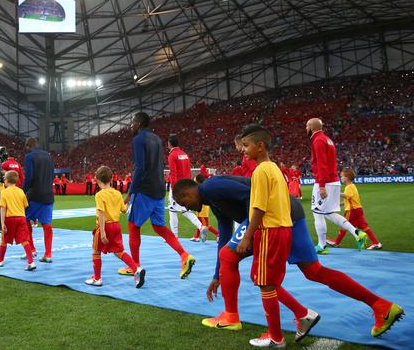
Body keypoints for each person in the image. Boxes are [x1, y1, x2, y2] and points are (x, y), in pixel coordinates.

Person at [172, 173, 404, 341]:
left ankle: (232, 316)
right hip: (291, 212)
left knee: (246, 268)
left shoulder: (211, 187)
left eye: (185, 202)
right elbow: (224, 234)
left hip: (272, 218)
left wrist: (250, 232)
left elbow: (252, 196)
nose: (189, 208)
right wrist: (217, 275)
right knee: (314, 271)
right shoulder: (213, 199)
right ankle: (381, 305)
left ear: (188, 191)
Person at [235, 125, 294, 347]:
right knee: (267, 280)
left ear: (260, 146)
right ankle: (299, 315)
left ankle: (276, 337)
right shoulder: (275, 168)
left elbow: (259, 208)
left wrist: (247, 237)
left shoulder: (260, 170)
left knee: (266, 284)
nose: (243, 149)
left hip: (269, 230)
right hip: (283, 228)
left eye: (246, 145)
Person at [118, 112, 195, 279]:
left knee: (132, 225)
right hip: (159, 188)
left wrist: (130, 193)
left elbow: (139, 168)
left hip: (145, 189)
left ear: (139, 123)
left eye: (133, 122)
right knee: (159, 227)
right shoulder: (157, 139)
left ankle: (135, 266)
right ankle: (184, 255)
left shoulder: (138, 139)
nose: (131, 125)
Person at [306, 118, 367, 254]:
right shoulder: (327, 140)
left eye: (306, 126)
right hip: (333, 181)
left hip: (325, 182)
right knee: (328, 213)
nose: (306, 129)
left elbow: (322, 164)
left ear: (311, 127)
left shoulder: (318, 140)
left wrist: (321, 186)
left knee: (317, 213)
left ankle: (322, 246)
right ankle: (357, 233)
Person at [86, 165, 145, 288]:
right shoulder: (117, 193)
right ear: (111, 178)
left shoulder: (99, 195)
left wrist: (102, 232)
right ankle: (136, 269)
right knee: (119, 252)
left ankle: (97, 278)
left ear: (97, 179)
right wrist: (128, 200)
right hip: (116, 226)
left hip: (105, 226)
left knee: (96, 251)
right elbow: (124, 210)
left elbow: (101, 213)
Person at [0, 170, 36, 271]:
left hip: (9, 218)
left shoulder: (4, 192)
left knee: (4, 240)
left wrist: (2, 223)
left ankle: (0, 260)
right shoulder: (21, 191)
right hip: (21, 218)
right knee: (24, 240)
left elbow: (3, 208)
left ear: (6, 180)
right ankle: (31, 262)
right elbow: (25, 205)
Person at [328, 169, 381, 250]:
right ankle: (376, 243)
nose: (341, 178)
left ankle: (337, 243)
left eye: (342, 176)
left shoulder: (349, 187)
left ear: (347, 177)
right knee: (365, 227)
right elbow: (349, 200)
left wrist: (335, 192)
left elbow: (347, 196)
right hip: (357, 209)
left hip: (352, 211)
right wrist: (338, 204)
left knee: (344, 225)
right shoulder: (352, 186)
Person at [166, 134, 206, 239]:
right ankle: (201, 227)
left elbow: (173, 174)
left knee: (173, 210)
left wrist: (174, 189)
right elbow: (188, 171)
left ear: (169, 144)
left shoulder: (172, 155)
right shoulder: (184, 154)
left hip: (177, 186)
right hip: (185, 185)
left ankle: (175, 236)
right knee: (183, 209)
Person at [22, 137, 55, 263]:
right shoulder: (48, 156)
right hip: (48, 195)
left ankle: (32, 249)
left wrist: (23, 191)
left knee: (25, 220)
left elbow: (29, 177)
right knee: (47, 225)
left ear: (28, 146)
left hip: (34, 195)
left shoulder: (29, 157)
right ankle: (48, 254)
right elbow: (52, 175)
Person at [189, 174, 218, 242]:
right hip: (205, 207)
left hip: (201, 207)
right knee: (201, 222)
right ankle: (196, 236)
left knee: (202, 223)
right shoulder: (204, 186)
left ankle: (217, 233)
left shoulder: (200, 188)